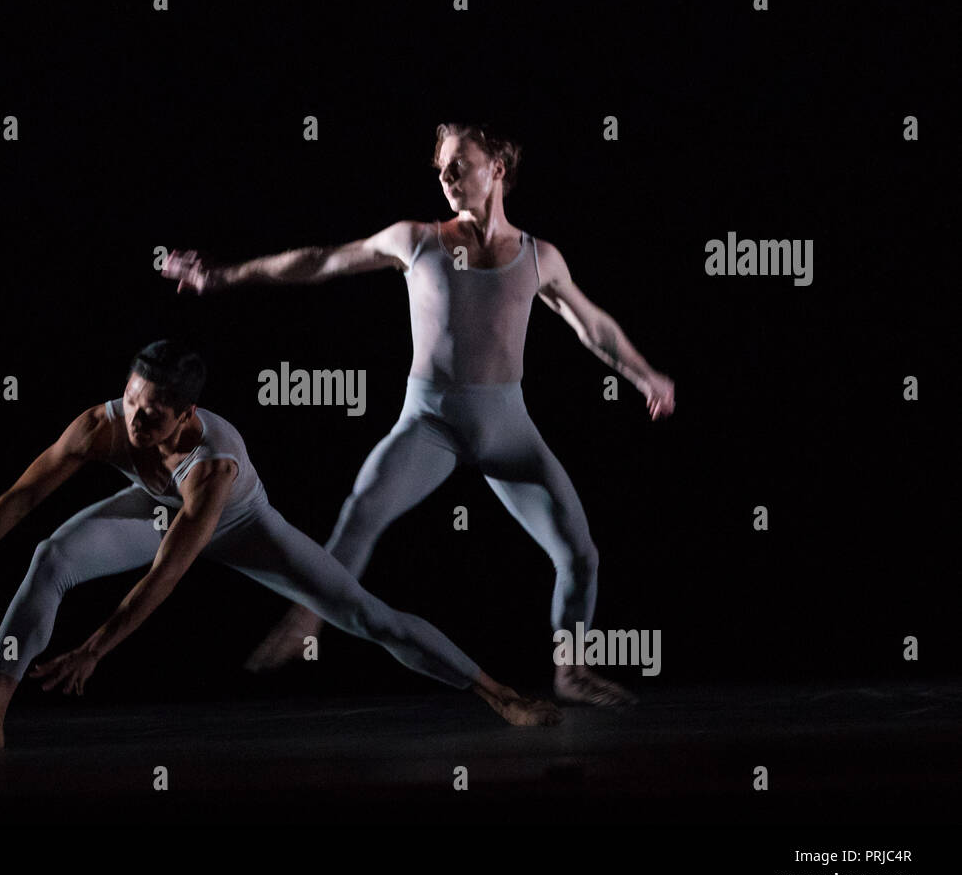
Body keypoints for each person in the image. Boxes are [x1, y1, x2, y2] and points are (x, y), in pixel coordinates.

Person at [163, 122, 676, 706]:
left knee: (579, 553)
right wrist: (221, 276)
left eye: (459, 163)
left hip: (508, 429)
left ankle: (572, 671)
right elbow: (321, 261)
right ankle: (307, 619)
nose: (446, 175)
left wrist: (645, 375)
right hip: (427, 424)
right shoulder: (416, 240)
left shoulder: (540, 257)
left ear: (497, 169)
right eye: (440, 167)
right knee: (361, 513)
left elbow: (594, 326)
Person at [0, 340, 563, 752]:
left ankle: (498, 692)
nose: (136, 419)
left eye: (153, 412)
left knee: (364, 615)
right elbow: (20, 497)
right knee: (51, 556)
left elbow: (166, 573)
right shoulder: (100, 425)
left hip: (240, 527)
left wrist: (97, 648)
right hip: (154, 510)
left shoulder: (214, 462)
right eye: (131, 400)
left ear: (188, 415)